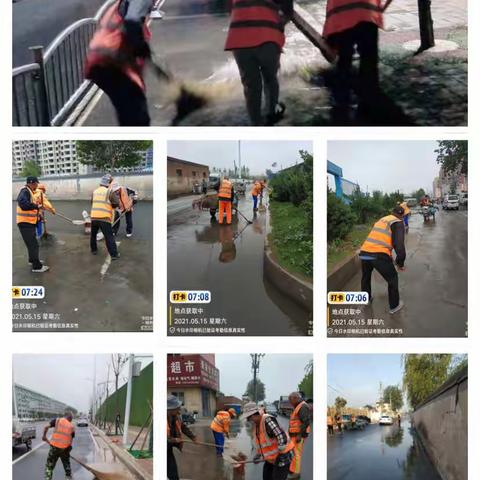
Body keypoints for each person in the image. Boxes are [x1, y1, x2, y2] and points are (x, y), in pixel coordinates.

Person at [85, 0, 154, 126]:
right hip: (112, 62)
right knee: (137, 118)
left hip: (102, 61)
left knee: (130, 113)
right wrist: (140, 46)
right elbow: (132, 21)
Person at [224, 0, 293, 125]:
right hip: (267, 35)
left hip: (239, 37)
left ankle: (256, 123)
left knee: (251, 86)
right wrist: (280, 22)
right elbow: (288, 10)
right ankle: (270, 116)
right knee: (270, 79)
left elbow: (230, 8)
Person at [323, 0, 393, 114]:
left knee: (344, 59)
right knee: (369, 60)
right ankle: (369, 101)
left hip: (342, 13)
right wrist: (379, 9)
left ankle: (341, 101)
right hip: (367, 11)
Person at [359, 205, 406, 314]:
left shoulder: (383, 219)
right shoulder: (398, 223)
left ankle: (366, 299)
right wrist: (400, 263)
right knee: (393, 279)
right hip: (379, 254)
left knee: (365, 277)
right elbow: (399, 246)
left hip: (365, 251)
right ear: (402, 215)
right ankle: (394, 306)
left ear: (392, 212)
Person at [241, 402, 295, 480]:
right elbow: (262, 442)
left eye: (249, 418)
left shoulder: (267, 420)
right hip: (271, 459)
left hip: (283, 456)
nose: (248, 420)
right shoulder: (257, 425)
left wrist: (280, 453)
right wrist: (258, 455)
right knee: (267, 476)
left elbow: (281, 436)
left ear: (253, 415)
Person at [16, 176, 49, 273]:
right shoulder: (25, 191)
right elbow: (23, 204)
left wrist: (39, 215)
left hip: (29, 223)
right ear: (32, 183)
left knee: (31, 244)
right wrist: (37, 206)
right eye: (36, 184)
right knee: (34, 245)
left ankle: (33, 260)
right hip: (25, 223)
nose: (37, 185)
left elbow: (31, 208)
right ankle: (37, 266)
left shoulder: (30, 192)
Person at [167, 395, 198, 480]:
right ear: (170, 409)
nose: (179, 411)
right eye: (177, 408)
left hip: (169, 449)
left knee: (173, 474)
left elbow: (183, 427)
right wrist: (173, 439)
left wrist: (193, 437)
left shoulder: (176, 416)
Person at [90, 174, 120, 259]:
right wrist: (113, 207)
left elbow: (92, 203)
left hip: (94, 217)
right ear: (108, 183)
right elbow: (116, 203)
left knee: (93, 235)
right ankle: (114, 255)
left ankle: (94, 250)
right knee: (109, 236)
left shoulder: (94, 191)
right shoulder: (110, 191)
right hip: (104, 218)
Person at [43, 411, 75, 480]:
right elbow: (71, 440)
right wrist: (68, 450)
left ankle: (48, 478)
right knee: (67, 468)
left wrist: (44, 436)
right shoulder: (72, 427)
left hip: (54, 448)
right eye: (71, 418)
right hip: (65, 450)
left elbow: (46, 427)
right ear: (69, 418)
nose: (71, 420)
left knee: (49, 467)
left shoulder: (57, 420)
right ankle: (68, 478)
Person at [288, 392, 311, 479]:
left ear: (295, 398)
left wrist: (299, 435)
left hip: (298, 435)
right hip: (295, 434)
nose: (290, 402)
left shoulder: (302, 406)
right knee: (294, 453)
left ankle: (296, 473)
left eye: (290, 400)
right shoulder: (298, 406)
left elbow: (306, 422)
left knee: (297, 454)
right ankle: (293, 469)